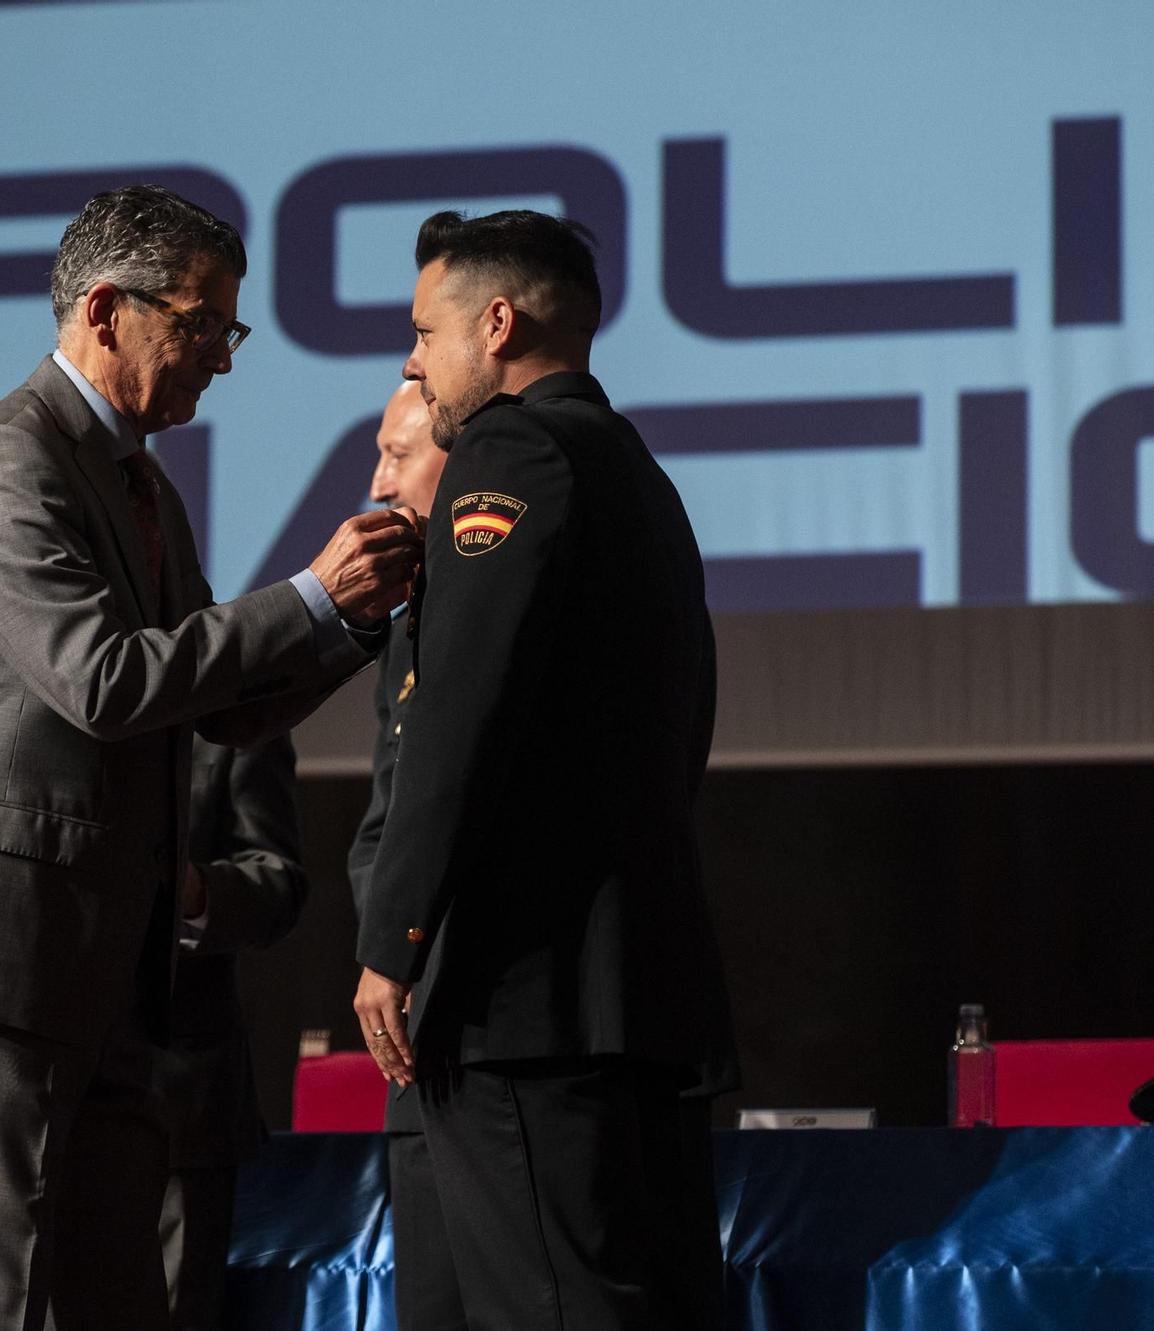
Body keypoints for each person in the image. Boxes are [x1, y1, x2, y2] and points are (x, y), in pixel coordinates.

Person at [0, 183, 420, 1331]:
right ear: (108, 309)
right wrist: (310, 592)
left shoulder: (140, 482)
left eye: (230, 329)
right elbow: (107, 679)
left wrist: (356, 622)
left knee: (118, 1301)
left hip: (119, 971)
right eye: (202, 323)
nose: (221, 358)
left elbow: (216, 705)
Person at [351, 211, 737, 1330]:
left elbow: (458, 714)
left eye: (425, 332)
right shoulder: (637, 474)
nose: (414, 361)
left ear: (498, 323)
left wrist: (393, 935)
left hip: (525, 1003)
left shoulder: (511, 450)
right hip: (634, 990)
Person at [345, 380, 466, 1331]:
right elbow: (383, 819)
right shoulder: (406, 617)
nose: (379, 483)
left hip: (489, 1027)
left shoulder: (486, 604)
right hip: (412, 1041)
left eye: (400, 454)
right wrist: (388, 947)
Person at [157, 733, 307, 1330]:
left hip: (178, 1096)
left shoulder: (236, 719)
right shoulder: (34, 686)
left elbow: (279, 883)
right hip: (48, 1091)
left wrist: (195, 891)